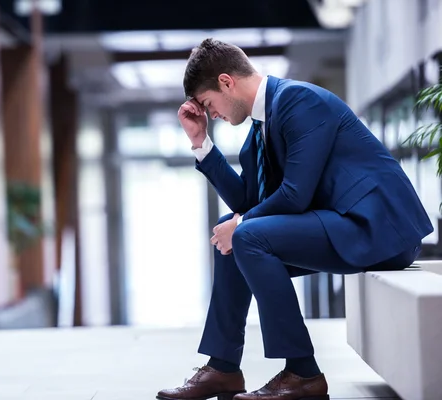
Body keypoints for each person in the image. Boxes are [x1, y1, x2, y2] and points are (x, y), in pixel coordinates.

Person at [156, 39, 433, 400]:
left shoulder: (299, 101)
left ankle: (303, 372)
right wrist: (201, 143)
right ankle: (223, 367)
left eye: (209, 105)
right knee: (235, 232)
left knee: (245, 235)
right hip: (340, 222)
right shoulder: (258, 131)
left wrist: (240, 226)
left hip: (378, 229)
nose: (214, 115)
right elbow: (246, 202)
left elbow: (295, 194)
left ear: (226, 82)